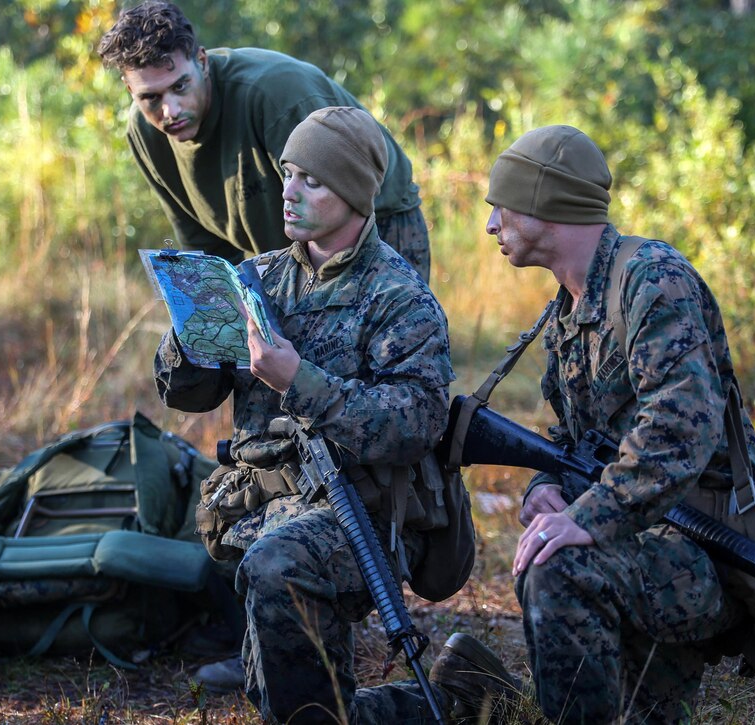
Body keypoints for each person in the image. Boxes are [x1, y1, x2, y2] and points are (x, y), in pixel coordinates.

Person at [154, 106, 515, 723]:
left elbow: (414, 425)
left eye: (311, 180)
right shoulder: (258, 280)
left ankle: (457, 699)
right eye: (288, 173)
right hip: (262, 507)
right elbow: (186, 394)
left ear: (353, 194)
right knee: (295, 703)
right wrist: (190, 342)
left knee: (280, 574)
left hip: (364, 516)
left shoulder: (399, 297)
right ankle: (464, 698)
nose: (289, 191)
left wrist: (300, 382)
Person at [485, 125, 755, 722]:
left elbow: (678, 432)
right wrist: (547, 488)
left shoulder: (651, 279)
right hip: (642, 536)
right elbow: (568, 438)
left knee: (557, 567)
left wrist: (585, 517)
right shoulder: (569, 304)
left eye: (501, 207)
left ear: (546, 204)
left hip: (706, 550)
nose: (491, 226)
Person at [97, 1, 431, 282]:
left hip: (376, 223)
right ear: (131, 91)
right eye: (151, 98)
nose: (170, 110)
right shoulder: (144, 132)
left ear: (202, 62)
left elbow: (339, 208)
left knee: (374, 357)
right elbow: (202, 246)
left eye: (180, 86)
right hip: (287, 253)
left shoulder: (275, 98)